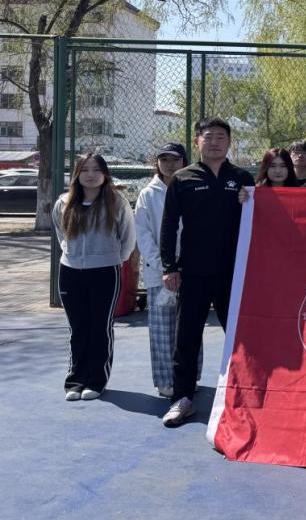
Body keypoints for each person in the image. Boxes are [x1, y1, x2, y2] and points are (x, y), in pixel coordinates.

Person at [160, 118, 255, 427]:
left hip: (233, 273)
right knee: (186, 337)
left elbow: (259, 219)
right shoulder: (182, 178)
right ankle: (182, 398)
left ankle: (246, 395)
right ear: (197, 141)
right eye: (208, 137)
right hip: (193, 273)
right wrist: (169, 266)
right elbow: (169, 225)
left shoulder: (242, 178)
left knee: (240, 337)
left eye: (221, 137)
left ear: (229, 142)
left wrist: (250, 202)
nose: (215, 142)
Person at [53, 153, 136, 402]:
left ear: (105, 174)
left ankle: (97, 380)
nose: (91, 175)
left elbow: (128, 237)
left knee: (100, 327)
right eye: (85, 170)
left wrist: (112, 258)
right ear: (76, 174)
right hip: (70, 272)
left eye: (96, 170)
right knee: (78, 327)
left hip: (105, 271)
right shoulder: (63, 202)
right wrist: (73, 255)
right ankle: (76, 380)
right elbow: (61, 234)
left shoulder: (117, 202)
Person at [134, 142, 200, 399]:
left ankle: (190, 376)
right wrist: (166, 266)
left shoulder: (194, 188)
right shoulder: (147, 194)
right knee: (162, 331)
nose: (170, 165)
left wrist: (186, 264)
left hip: (191, 270)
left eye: (175, 159)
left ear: (184, 161)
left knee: (190, 327)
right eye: (164, 160)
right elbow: (143, 235)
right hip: (159, 274)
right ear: (157, 163)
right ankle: (165, 381)